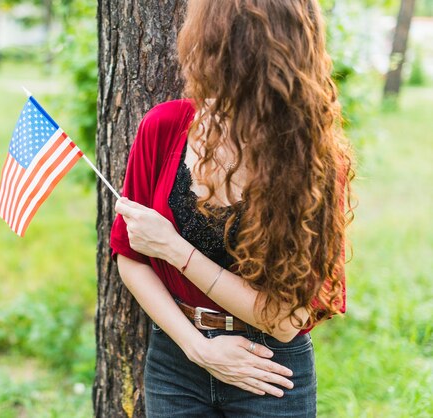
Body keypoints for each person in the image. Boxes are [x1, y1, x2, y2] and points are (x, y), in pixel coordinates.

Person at [109, 0, 354, 417]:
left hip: (269, 367)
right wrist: (197, 348)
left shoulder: (312, 161)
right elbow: (130, 258)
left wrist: (174, 249)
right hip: (175, 359)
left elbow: (285, 319)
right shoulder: (165, 127)